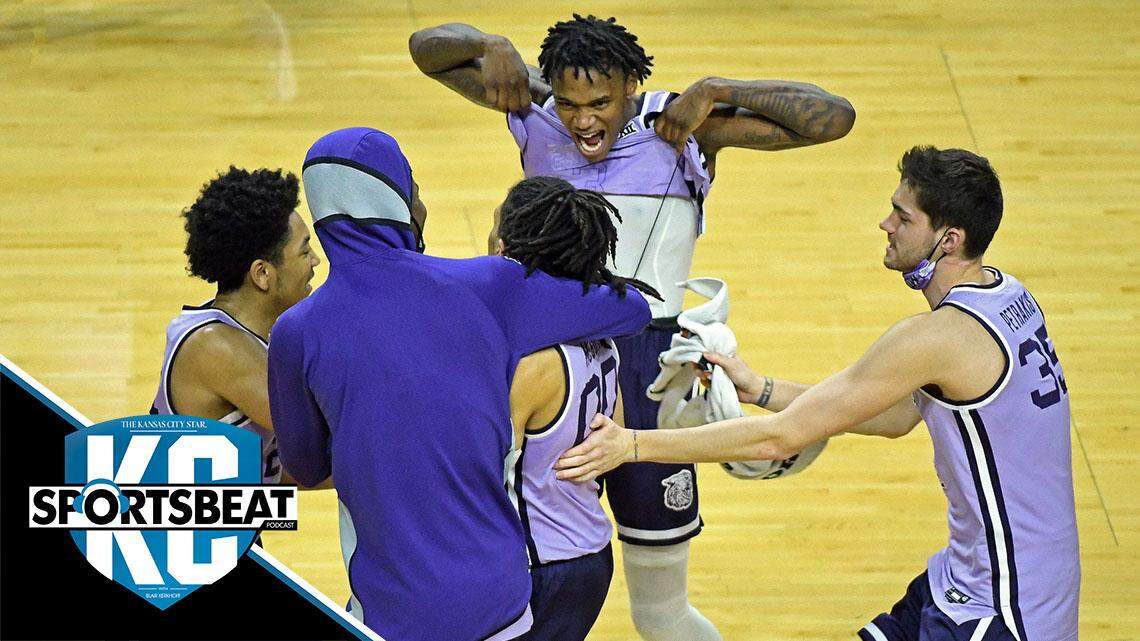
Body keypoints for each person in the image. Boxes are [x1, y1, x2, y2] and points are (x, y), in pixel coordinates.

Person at [410, 14, 856, 640]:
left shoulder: (680, 126)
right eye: (570, 104)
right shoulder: (535, 109)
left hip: (650, 379)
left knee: (660, 611)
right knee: (525, 587)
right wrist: (488, 46)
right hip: (552, 375)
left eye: (601, 102)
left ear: (630, 85)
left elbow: (834, 118)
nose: (584, 121)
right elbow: (425, 51)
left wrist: (718, 88)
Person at [557, 147, 1079, 641]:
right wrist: (757, 387)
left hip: (1004, 607)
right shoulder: (1008, 296)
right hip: (971, 575)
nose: (886, 224)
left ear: (948, 239)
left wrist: (631, 446)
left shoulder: (937, 337)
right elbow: (897, 415)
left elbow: (777, 441)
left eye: (903, 216)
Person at [266, 128, 651, 641]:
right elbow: (632, 310)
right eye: (414, 190)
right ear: (393, 199)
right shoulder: (486, 286)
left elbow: (308, 468)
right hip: (500, 600)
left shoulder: (294, 332)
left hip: (391, 612)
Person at [496, 176, 660, 641]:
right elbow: (616, 437)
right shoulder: (603, 341)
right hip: (589, 552)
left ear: (509, 251)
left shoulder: (533, 366)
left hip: (538, 564)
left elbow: (481, 472)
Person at [150, 167, 319, 484]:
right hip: (184, 532)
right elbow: (316, 439)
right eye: (304, 250)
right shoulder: (216, 347)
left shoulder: (243, 335)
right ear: (262, 274)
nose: (315, 261)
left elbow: (275, 465)